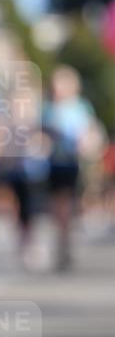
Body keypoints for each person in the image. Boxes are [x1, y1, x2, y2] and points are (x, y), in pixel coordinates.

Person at [42, 65, 101, 270]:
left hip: (70, 162)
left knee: (65, 205)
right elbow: (40, 134)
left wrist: (85, 143)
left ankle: (65, 243)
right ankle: (61, 240)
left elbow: (90, 132)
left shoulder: (80, 107)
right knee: (55, 208)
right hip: (50, 164)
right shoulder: (47, 108)